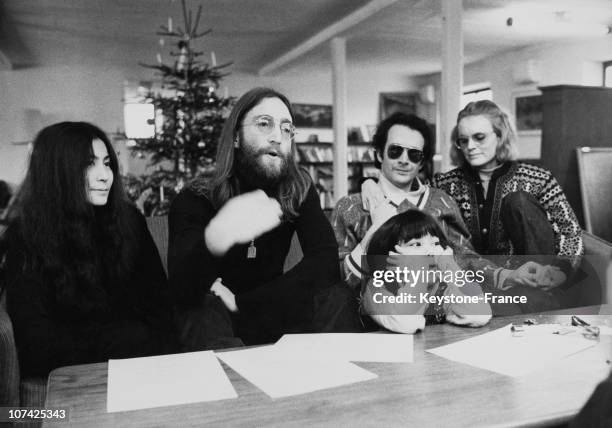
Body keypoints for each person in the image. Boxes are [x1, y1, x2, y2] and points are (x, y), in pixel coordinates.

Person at [168, 87, 357, 350]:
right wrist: (215, 239)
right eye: (264, 124)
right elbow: (181, 287)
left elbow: (324, 261)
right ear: (236, 137)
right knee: (202, 306)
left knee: (337, 296)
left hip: (271, 309)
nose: (277, 137)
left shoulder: (299, 187)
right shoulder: (196, 196)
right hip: (218, 320)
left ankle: (336, 384)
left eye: (286, 128)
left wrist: (244, 302)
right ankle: (234, 387)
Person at [2, 122, 177, 377]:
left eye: (107, 163)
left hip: (141, 359)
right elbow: (36, 340)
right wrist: (128, 341)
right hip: (72, 368)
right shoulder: (26, 234)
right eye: (89, 164)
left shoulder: (129, 220)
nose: (105, 175)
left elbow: (160, 304)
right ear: (57, 172)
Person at [433, 100, 583, 300]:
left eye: (479, 138)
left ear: (500, 136)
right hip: (472, 283)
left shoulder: (539, 179)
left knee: (518, 200)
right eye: (463, 140)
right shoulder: (444, 184)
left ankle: (543, 299)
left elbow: (570, 230)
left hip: (534, 286)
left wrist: (561, 271)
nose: (470, 147)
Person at [331, 112, 475, 293]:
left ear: (421, 163)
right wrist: (374, 233)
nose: (404, 160)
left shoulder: (443, 202)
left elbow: (470, 264)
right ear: (379, 155)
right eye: (395, 151)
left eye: (414, 154)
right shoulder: (350, 207)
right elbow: (338, 281)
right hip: (377, 315)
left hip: (446, 314)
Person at [361, 210, 492, 333]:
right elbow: (407, 323)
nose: (430, 252)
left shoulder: (441, 286)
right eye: (416, 245)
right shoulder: (378, 287)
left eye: (435, 243)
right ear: (390, 255)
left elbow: (480, 315)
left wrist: (449, 265)